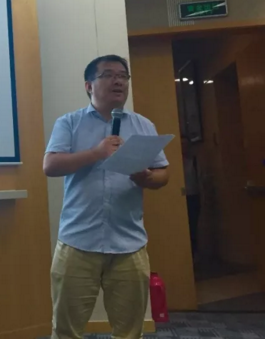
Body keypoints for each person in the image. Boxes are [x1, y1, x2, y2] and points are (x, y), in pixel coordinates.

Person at [44, 55, 170, 339]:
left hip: (129, 244)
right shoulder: (69, 123)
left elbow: (164, 173)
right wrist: (96, 153)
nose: (118, 81)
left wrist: (148, 178)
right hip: (78, 243)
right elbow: (50, 166)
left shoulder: (143, 125)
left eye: (123, 76)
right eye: (109, 75)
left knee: (130, 332)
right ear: (89, 85)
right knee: (66, 331)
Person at [181, 137, 200, 262]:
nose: (184, 147)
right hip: (182, 196)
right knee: (184, 227)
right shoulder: (177, 161)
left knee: (193, 227)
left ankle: (194, 255)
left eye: (186, 144)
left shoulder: (194, 161)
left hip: (194, 196)